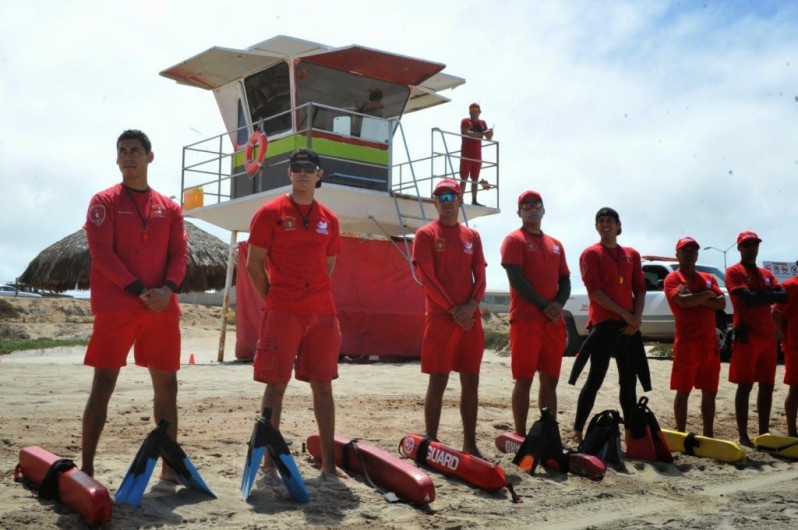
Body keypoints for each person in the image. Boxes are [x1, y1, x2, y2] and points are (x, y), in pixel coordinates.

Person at [81, 129, 188, 480]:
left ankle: (170, 469)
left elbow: (179, 253)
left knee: (167, 388)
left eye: (136, 151)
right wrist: (143, 289)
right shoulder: (104, 201)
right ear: (117, 159)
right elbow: (102, 254)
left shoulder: (169, 207)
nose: (129, 156)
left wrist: (168, 290)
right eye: (123, 151)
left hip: (161, 308)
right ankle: (88, 467)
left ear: (149, 157)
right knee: (103, 384)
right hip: (117, 306)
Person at [246, 148, 345, 477]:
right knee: (275, 385)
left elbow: (327, 267)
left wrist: (309, 295)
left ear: (319, 175)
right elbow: (253, 265)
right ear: (289, 174)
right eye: (296, 168)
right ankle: (269, 462)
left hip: (321, 312)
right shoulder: (269, 212)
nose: (302, 172)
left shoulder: (329, 219)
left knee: (324, 386)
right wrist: (275, 299)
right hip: (283, 311)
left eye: (309, 168)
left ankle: (329, 466)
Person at [412, 178, 487, 456]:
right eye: (440, 197)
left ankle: (470, 443)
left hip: (469, 318)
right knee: (438, 380)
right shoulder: (426, 234)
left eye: (451, 196)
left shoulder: (472, 236)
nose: (446, 202)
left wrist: (470, 306)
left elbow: (480, 275)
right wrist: (454, 310)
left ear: (459, 199)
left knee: (471, 380)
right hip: (442, 318)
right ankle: (431, 439)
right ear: (435, 202)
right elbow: (427, 278)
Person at [568, 207, 650, 444]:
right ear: (597, 227)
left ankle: (631, 433)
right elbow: (595, 293)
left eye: (610, 221)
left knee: (629, 380)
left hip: (629, 327)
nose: (606, 224)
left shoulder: (632, 254)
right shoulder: (590, 254)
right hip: (604, 324)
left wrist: (636, 318)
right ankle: (577, 429)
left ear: (618, 226)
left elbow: (640, 289)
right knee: (595, 377)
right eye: (601, 221)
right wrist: (627, 315)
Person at [500, 191, 571, 435]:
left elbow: (566, 280)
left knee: (550, 380)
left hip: (553, 322)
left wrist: (558, 305)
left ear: (543, 210)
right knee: (524, 379)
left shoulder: (556, 244)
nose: (532, 208)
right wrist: (544, 305)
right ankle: (520, 433)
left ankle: (548, 431)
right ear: (519, 212)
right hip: (526, 321)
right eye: (526, 205)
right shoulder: (514, 240)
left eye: (536, 204)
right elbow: (516, 278)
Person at [725, 231, 787, 446]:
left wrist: (759, 293)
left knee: (767, 385)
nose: (751, 248)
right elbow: (748, 300)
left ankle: (763, 432)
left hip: (768, 337)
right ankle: (743, 435)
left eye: (754, 244)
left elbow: (783, 296)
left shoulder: (765, 273)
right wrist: (766, 294)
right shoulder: (734, 271)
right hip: (747, 336)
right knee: (745, 386)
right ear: (740, 248)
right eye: (747, 244)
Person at [664, 237, 726, 437]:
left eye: (693, 250)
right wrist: (708, 295)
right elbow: (682, 301)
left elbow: (722, 303)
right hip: (687, 343)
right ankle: (680, 433)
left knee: (710, 392)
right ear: (678, 255)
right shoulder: (673, 278)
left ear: (697, 254)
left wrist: (699, 295)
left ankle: (708, 435)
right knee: (683, 391)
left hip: (710, 344)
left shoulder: (708, 278)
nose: (689, 253)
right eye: (685, 250)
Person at [773, 271, 798, 437]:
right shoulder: (790, 285)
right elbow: (775, 313)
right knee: (795, 389)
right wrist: (786, 334)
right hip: (795, 346)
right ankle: (792, 431)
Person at [459, 103, 493, 206]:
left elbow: (489, 138)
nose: (474, 111)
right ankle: (460, 199)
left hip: (477, 155)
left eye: (476, 109)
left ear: (479, 112)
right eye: (472, 109)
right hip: (466, 154)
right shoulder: (465, 121)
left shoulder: (483, 123)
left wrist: (490, 133)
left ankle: (474, 200)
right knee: (463, 178)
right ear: (469, 112)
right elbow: (468, 133)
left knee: (475, 179)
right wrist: (484, 133)